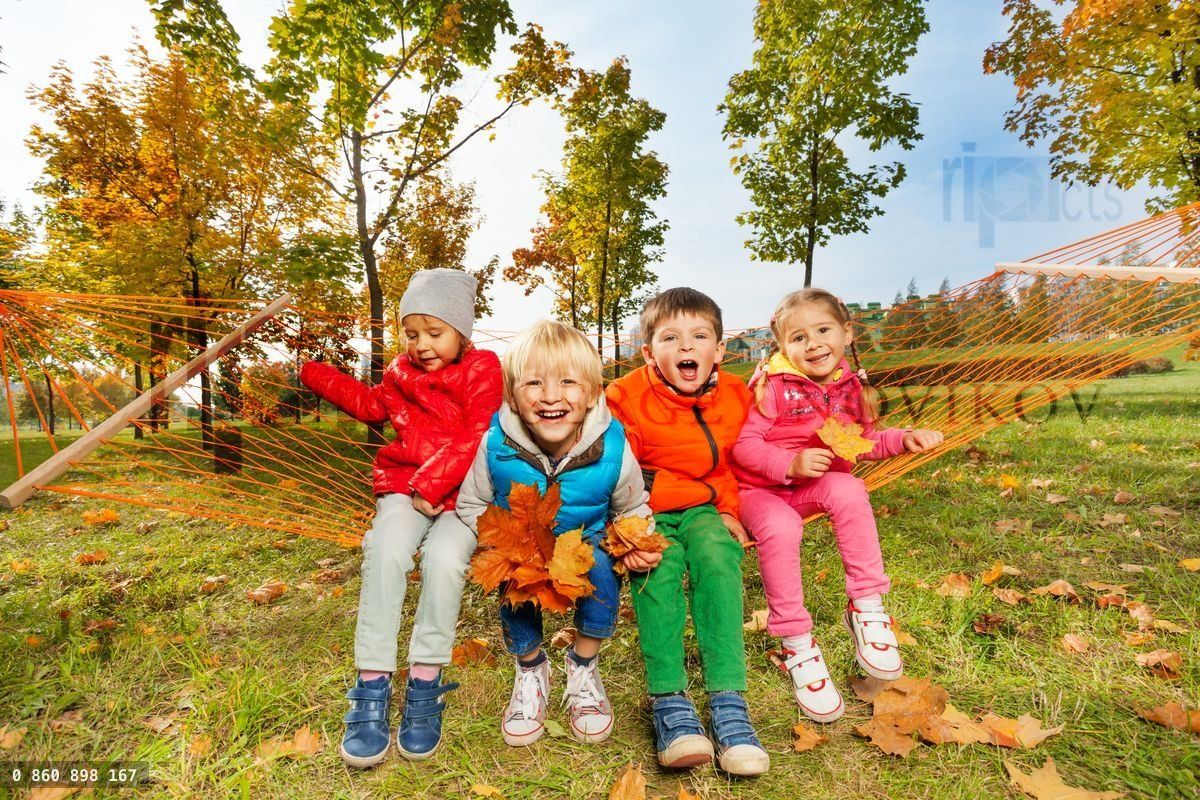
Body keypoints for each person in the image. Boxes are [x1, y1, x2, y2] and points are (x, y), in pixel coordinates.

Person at [300, 268, 503, 766]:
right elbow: (372, 407)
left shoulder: (483, 369)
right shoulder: (398, 373)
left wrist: (434, 484)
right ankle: (371, 683)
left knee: (445, 558)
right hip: (403, 485)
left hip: (465, 492)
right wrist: (315, 373)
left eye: (435, 332)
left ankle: (425, 681)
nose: (422, 344)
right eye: (412, 333)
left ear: (462, 332)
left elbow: (480, 430)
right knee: (386, 549)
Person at [731, 287, 943, 724]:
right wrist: (789, 462)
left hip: (812, 487)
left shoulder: (848, 388)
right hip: (760, 492)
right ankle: (797, 644)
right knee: (783, 528)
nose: (813, 344)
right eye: (799, 338)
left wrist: (902, 438)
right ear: (783, 346)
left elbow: (857, 445)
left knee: (847, 488)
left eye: (823, 330)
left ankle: (866, 607)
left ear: (846, 333)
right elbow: (744, 447)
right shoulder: (773, 387)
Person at [456, 320, 657, 747]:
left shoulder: (613, 448)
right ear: (512, 395)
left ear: (590, 395)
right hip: (524, 546)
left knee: (602, 570)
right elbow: (472, 503)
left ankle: (583, 668)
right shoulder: (496, 445)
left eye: (568, 382)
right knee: (512, 581)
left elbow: (632, 507)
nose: (550, 396)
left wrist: (634, 541)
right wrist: (502, 543)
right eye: (534, 383)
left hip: (585, 543)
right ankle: (531, 669)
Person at [605, 287, 770, 777]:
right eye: (670, 337)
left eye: (699, 336)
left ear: (719, 350)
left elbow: (744, 458)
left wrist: (729, 508)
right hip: (643, 509)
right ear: (649, 351)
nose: (685, 347)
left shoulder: (738, 396)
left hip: (706, 508)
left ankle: (728, 700)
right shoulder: (625, 397)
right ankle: (670, 700)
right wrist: (629, 528)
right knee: (658, 569)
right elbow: (623, 469)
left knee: (719, 559)